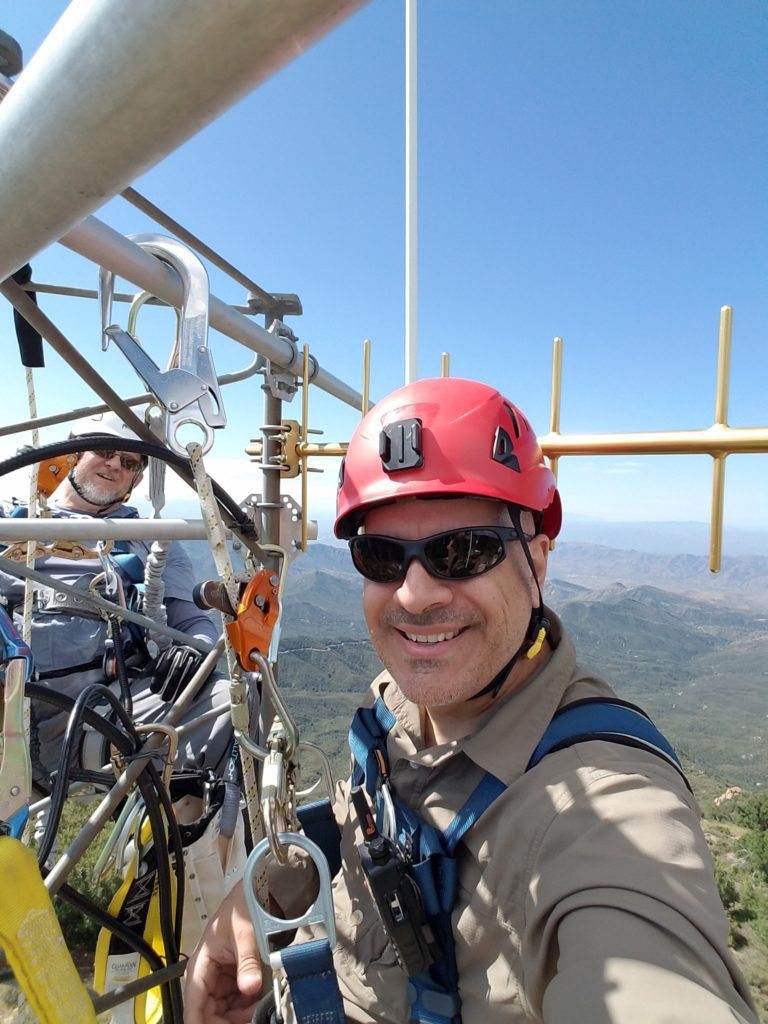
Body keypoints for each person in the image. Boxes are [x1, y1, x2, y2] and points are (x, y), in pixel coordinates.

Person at [183, 377, 758, 1024]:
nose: (414, 594)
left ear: (537, 563)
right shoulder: (394, 706)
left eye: (463, 551)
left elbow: (650, 973)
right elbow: (364, 825)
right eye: (381, 556)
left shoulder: (606, 812)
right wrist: (259, 897)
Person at [0, 410, 232, 786]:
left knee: (236, 699)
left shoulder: (148, 539)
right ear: (75, 452)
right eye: (103, 451)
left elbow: (192, 621)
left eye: (128, 462)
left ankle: (195, 838)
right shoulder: (12, 522)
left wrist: (197, 648)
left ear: (137, 478)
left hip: (106, 716)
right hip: (11, 712)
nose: (113, 465)